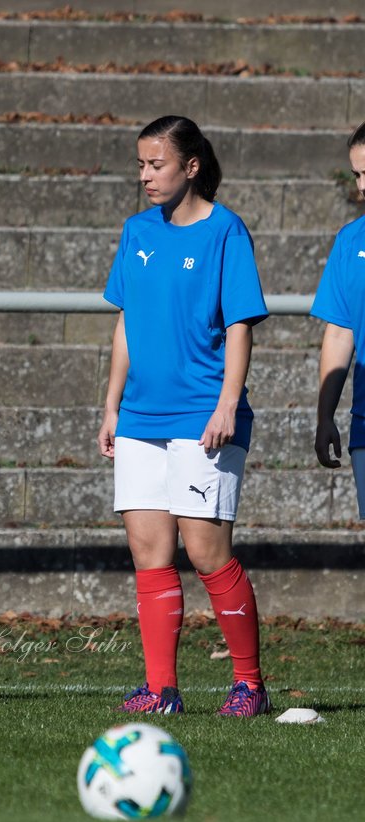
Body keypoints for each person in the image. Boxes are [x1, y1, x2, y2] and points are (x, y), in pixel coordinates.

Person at [97, 115, 271, 717]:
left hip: (202, 414)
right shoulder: (135, 231)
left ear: (190, 167)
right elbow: (126, 323)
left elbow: (241, 323)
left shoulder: (226, 231)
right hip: (140, 416)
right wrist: (112, 404)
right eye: (140, 165)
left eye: (156, 164)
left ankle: (248, 682)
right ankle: (161, 689)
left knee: (205, 553)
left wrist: (228, 402)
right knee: (149, 552)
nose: (145, 176)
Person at [313, 122, 365, 513]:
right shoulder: (350, 240)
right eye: (357, 174)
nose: (362, 187)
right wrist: (325, 415)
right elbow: (339, 332)